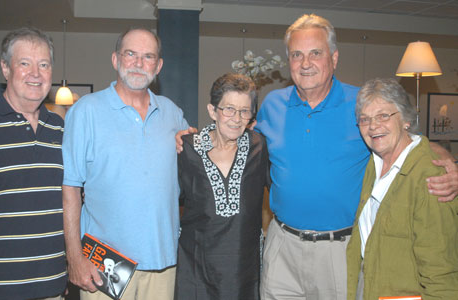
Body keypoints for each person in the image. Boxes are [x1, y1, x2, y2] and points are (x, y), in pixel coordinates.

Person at [255, 14, 458, 300]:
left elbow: (408, 141)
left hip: (339, 249)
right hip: (282, 246)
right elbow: (241, 141)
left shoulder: (361, 104)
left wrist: (447, 164)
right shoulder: (272, 104)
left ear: (334, 58)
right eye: (296, 54)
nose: (305, 63)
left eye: (316, 53)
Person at [62, 28, 189, 300]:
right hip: (105, 266)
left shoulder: (172, 113)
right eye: (130, 54)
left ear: (159, 65)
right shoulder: (86, 111)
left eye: (148, 56)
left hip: (162, 263)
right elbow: (70, 188)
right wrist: (74, 258)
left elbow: (193, 170)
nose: (138, 63)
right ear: (115, 60)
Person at [0, 28, 67, 300]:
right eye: (24, 63)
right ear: (5, 69)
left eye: (44, 64)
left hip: (51, 288)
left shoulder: (60, 129)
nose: (36, 73)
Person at [346, 78, 458, 299]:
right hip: (369, 288)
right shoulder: (374, 163)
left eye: (383, 116)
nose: (373, 126)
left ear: (406, 119)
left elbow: (440, 271)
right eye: (365, 119)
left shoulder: (429, 176)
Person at [174, 73, 269, 300]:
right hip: (196, 269)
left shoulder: (258, 147)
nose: (236, 118)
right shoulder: (187, 148)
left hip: (243, 272)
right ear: (212, 111)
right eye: (228, 109)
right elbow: (163, 197)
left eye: (244, 111)